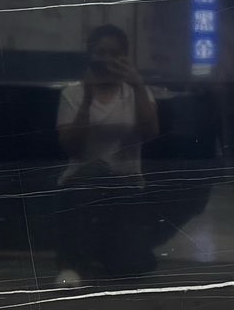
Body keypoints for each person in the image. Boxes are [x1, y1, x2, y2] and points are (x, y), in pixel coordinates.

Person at [54, 24, 159, 283]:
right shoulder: (73, 93)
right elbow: (71, 147)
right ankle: (73, 264)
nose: (108, 60)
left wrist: (137, 85)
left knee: (133, 267)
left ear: (125, 58)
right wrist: (87, 98)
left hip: (126, 185)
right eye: (101, 53)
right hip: (82, 183)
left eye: (115, 54)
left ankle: (104, 253)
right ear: (90, 56)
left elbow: (150, 134)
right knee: (93, 175)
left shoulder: (137, 92)